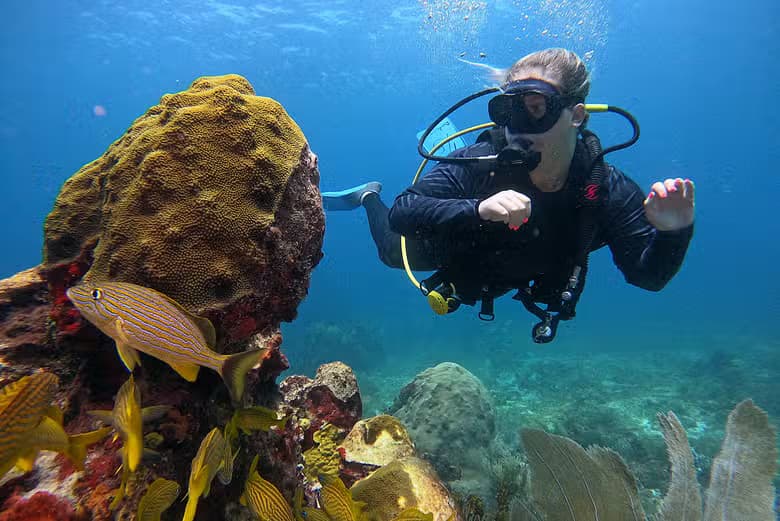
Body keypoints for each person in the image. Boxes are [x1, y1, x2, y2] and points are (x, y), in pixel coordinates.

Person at [323, 48, 694, 342]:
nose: (517, 130)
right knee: (392, 252)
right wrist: (478, 208)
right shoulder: (483, 161)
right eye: (509, 111)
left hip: (520, 269)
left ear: (576, 115)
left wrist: (674, 232)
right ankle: (368, 195)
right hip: (466, 245)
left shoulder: (606, 189)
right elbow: (403, 212)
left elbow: (648, 276)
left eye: (535, 111)